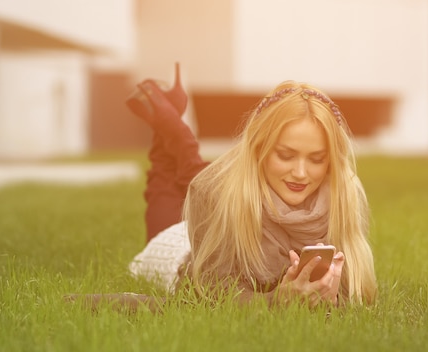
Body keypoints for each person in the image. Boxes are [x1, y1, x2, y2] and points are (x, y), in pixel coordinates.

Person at [126, 63, 377, 307]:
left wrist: (331, 298)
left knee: (212, 178)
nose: (301, 173)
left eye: (316, 159)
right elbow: (213, 290)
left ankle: (169, 115)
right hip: (179, 249)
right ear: (259, 149)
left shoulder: (343, 193)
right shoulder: (212, 193)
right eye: (286, 155)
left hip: (237, 200)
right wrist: (275, 301)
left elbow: (356, 294)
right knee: (170, 184)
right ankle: (167, 123)